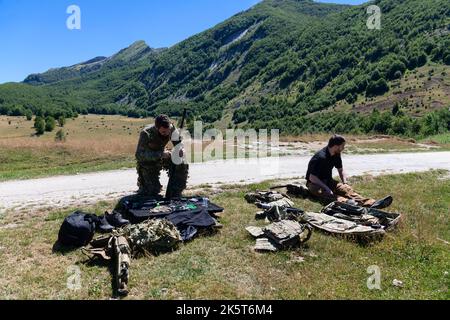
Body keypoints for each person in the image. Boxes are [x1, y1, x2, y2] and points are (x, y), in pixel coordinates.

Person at [305, 135, 392, 208]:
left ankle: (372, 203)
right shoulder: (320, 157)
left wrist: (344, 182)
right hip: (314, 184)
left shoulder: (336, 154)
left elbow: (340, 169)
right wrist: (327, 188)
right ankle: (348, 203)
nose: (344, 148)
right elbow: (312, 177)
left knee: (346, 189)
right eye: (343, 146)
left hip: (328, 181)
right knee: (329, 195)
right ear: (336, 146)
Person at [135, 114, 189, 198]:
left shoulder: (171, 128)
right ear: (157, 128)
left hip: (164, 155)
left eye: (168, 131)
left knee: (181, 161)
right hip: (148, 161)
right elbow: (139, 155)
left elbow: (179, 144)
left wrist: (181, 150)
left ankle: (175, 191)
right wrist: (160, 154)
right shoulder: (146, 133)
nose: (166, 133)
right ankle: (145, 187)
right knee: (151, 191)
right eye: (163, 132)